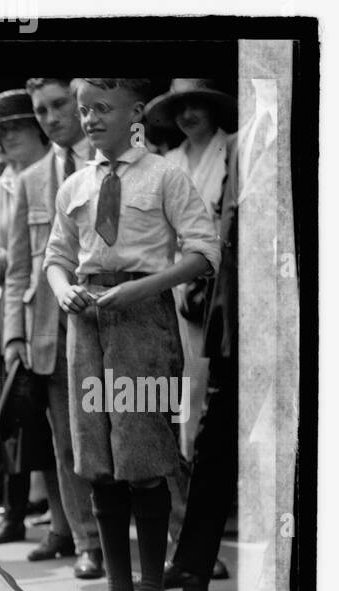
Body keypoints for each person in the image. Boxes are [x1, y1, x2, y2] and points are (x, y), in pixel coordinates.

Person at [43, 77, 219, 591]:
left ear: (136, 114)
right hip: (87, 324)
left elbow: (204, 253)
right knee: (97, 458)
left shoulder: (166, 175)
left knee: (144, 457)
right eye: (83, 110)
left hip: (144, 325)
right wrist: (60, 288)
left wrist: (140, 291)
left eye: (102, 109)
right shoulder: (73, 185)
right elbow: (55, 256)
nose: (89, 119)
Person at [4, 76, 104, 579]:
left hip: (114, 321)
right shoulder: (28, 181)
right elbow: (18, 269)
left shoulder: (112, 161)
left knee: (142, 427)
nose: (50, 117)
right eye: (40, 110)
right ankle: (88, 542)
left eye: (59, 105)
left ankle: (180, 539)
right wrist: (13, 337)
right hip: (50, 332)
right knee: (68, 443)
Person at [0, 91, 71, 557]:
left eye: (15, 128)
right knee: (38, 431)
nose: (8, 138)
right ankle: (60, 526)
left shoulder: (63, 169)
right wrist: (8, 259)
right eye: (0, 133)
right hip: (26, 320)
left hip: (70, 310)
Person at [144, 79, 235, 463]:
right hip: (178, 286)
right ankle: (187, 478)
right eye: (179, 109)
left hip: (223, 283)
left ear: (212, 108)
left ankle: (215, 482)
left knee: (217, 383)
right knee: (183, 383)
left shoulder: (232, 149)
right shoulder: (170, 162)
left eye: (195, 105)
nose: (187, 115)